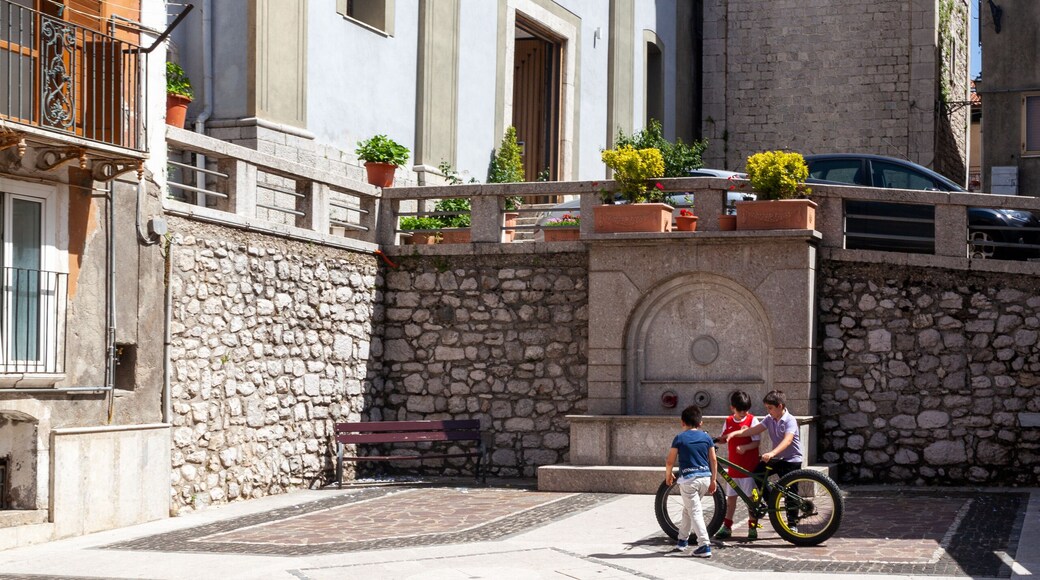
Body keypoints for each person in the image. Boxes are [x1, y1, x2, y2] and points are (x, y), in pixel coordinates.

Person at [723, 389, 804, 531]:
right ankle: (770, 500)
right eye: (767, 408)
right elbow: (753, 430)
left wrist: (772, 453)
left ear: (780, 406)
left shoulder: (790, 420)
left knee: (791, 491)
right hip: (777, 458)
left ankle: (792, 524)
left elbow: (787, 440)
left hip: (791, 460)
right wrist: (735, 433)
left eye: (770, 408)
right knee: (757, 473)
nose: (768, 411)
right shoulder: (769, 418)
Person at [664, 404, 718, 558]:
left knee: (694, 511)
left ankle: (704, 545)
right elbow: (713, 460)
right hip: (705, 478)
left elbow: (670, 461)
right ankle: (682, 540)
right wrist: (714, 480)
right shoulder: (706, 437)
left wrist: (668, 475)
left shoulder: (679, 438)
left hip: (689, 480)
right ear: (700, 423)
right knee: (689, 509)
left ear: (682, 422)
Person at [713, 391, 762, 540]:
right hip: (733, 467)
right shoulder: (728, 421)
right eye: (740, 410)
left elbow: (756, 442)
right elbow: (724, 438)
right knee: (731, 499)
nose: (743, 413)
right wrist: (717, 440)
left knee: (751, 499)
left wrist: (745, 448)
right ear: (732, 408)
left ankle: (752, 527)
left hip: (748, 468)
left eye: (745, 410)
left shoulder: (752, 420)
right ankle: (727, 526)